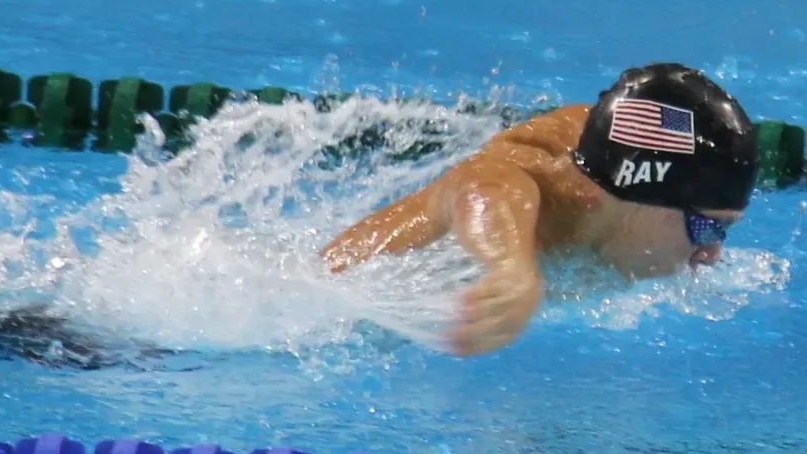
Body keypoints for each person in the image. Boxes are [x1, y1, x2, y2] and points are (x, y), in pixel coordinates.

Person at [320, 63, 758, 357]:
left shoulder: (598, 160)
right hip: (321, 321)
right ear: (644, 197)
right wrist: (511, 269)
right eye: (707, 228)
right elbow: (483, 185)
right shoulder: (559, 196)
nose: (712, 254)